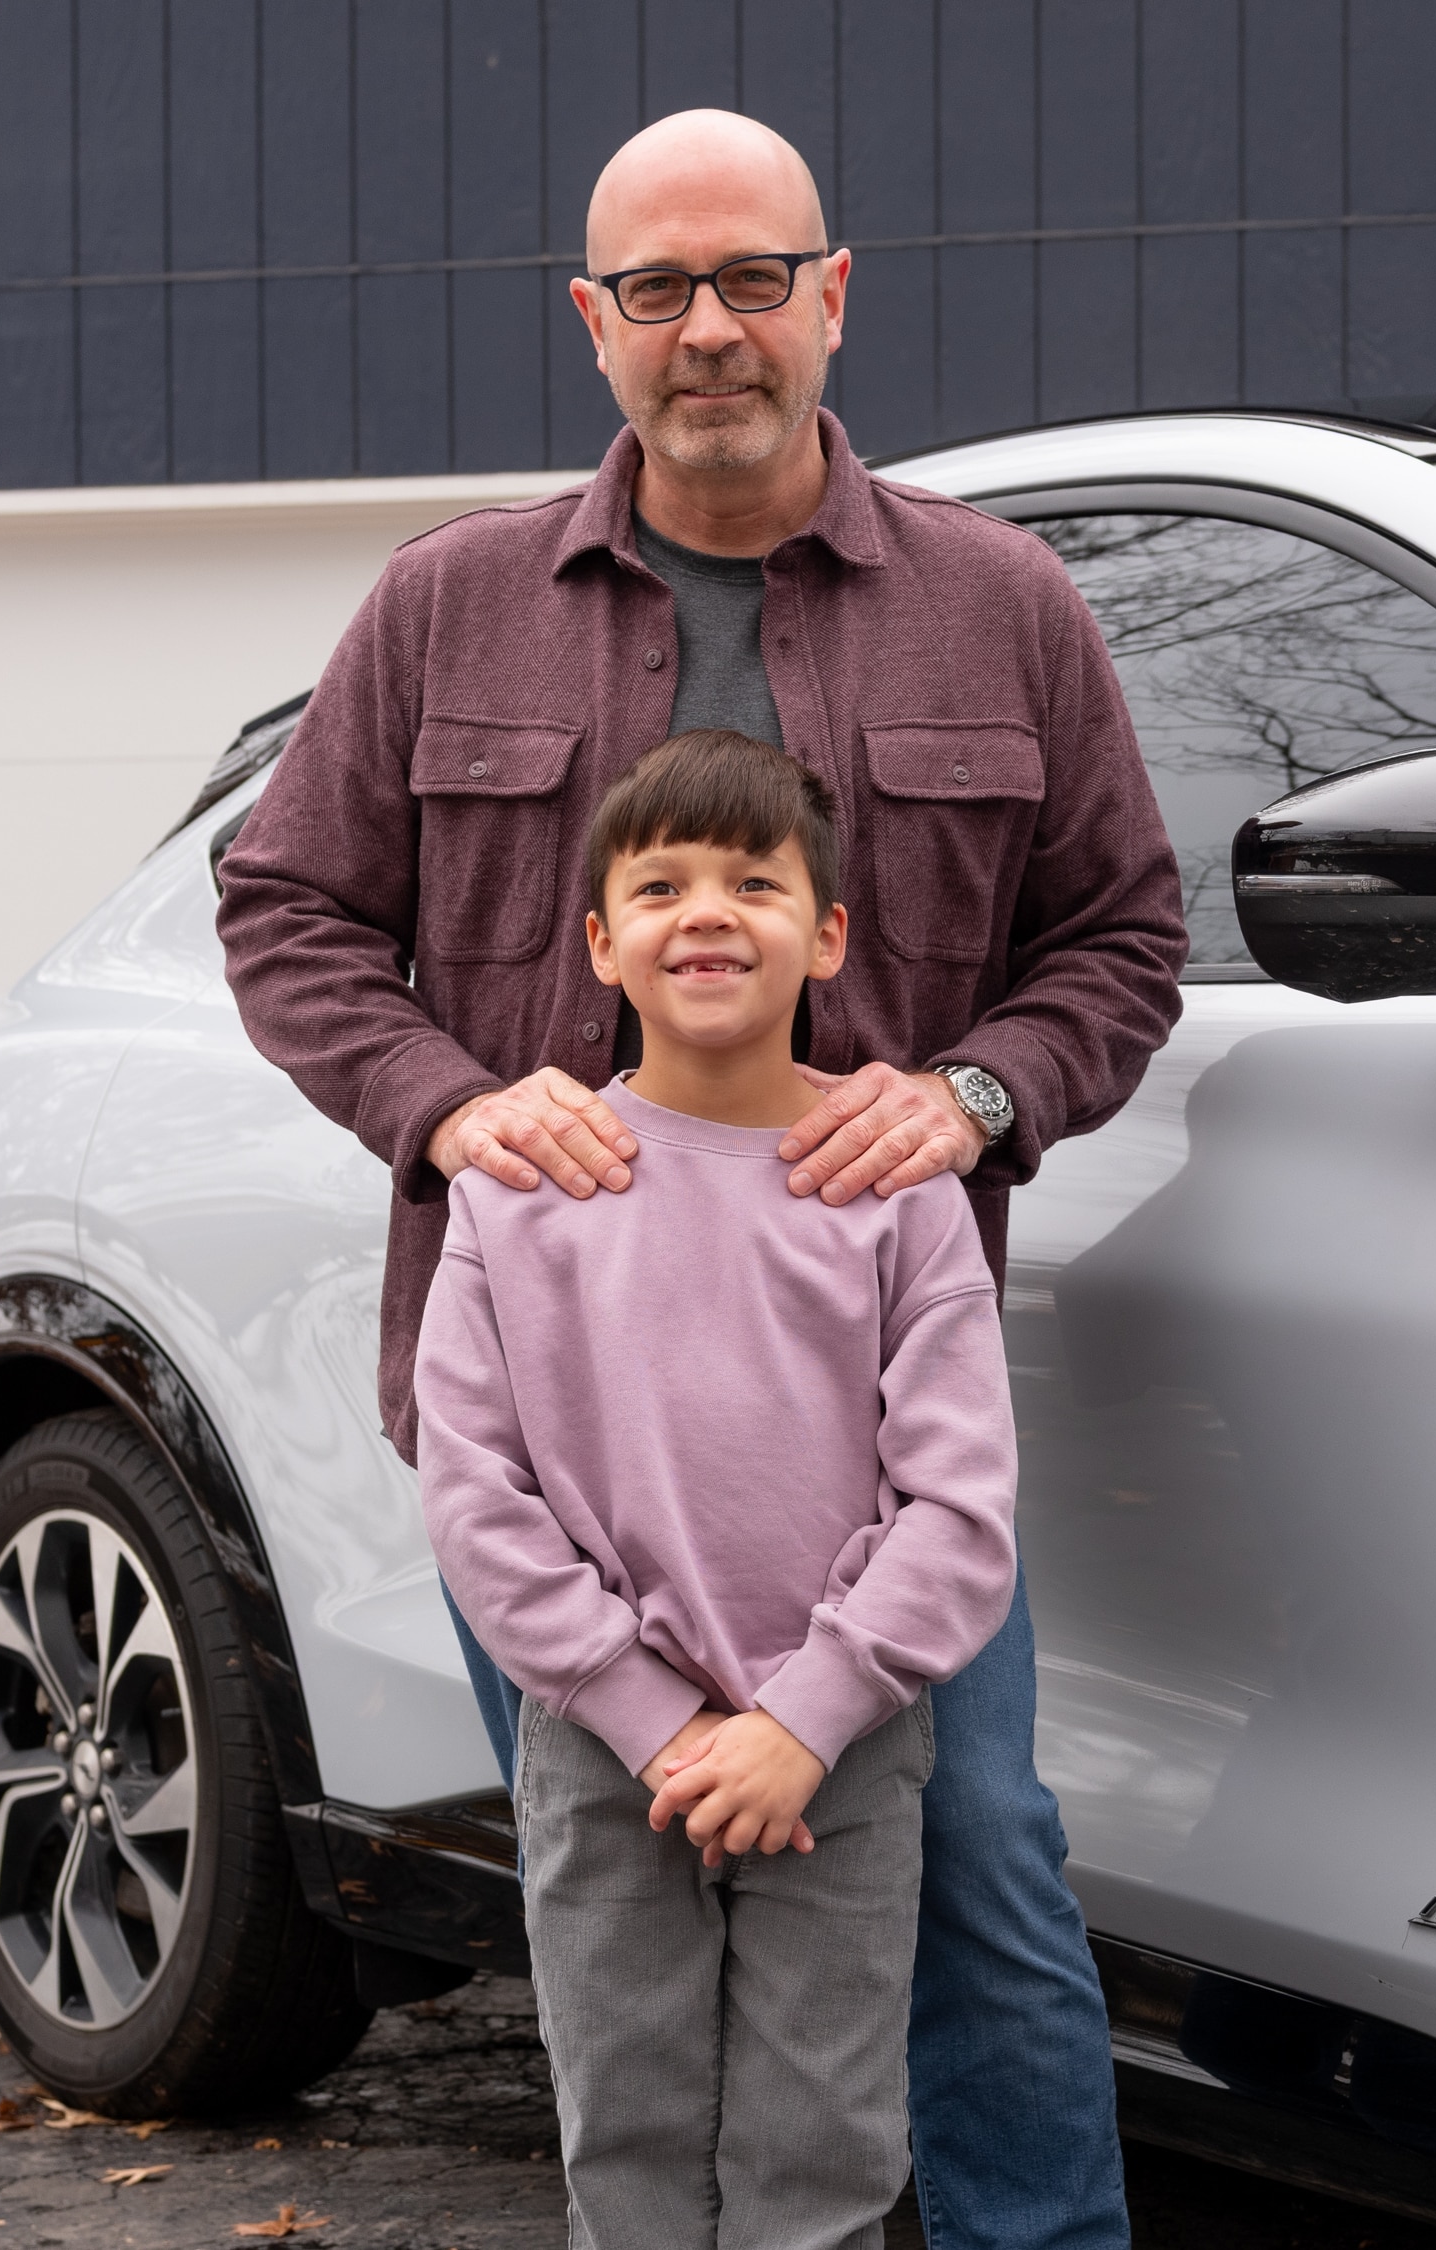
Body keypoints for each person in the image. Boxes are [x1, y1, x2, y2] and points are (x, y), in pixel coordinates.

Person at [213, 106, 1184, 2250]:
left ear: (833, 296)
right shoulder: (446, 606)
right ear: (593, 324)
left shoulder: (1001, 611)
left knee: (978, 1882)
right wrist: (447, 1107)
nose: (709, 329)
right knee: (626, 1916)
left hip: (876, 1451)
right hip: (561, 1456)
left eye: (753, 278)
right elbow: (285, 911)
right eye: (656, 288)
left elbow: (1120, 940)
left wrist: (978, 1098)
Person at [421, 730, 1020, 2250]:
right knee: (622, 2130)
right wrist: (652, 1716)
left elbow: (958, 1514)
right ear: (599, 940)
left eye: (756, 880)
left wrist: (801, 1720)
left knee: (820, 2148)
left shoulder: (898, 1190)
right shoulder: (521, 1188)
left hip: (843, 1756)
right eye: (663, 881)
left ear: (827, 933)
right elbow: (477, 1499)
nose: (708, 911)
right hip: (605, 1745)